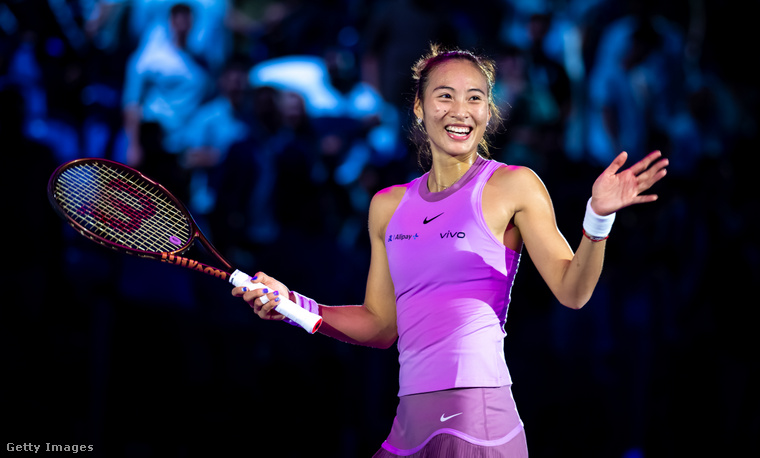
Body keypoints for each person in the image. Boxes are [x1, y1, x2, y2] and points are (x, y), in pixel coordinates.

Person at [231, 44, 668, 457]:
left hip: (478, 425)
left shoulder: (514, 185)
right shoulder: (387, 206)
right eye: (445, 96)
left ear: (488, 110)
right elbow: (380, 326)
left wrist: (597, 219)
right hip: (410, 427)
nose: (461, 111)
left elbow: (573, 292)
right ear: (420, 108)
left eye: (475, 98)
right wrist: (292, 305)